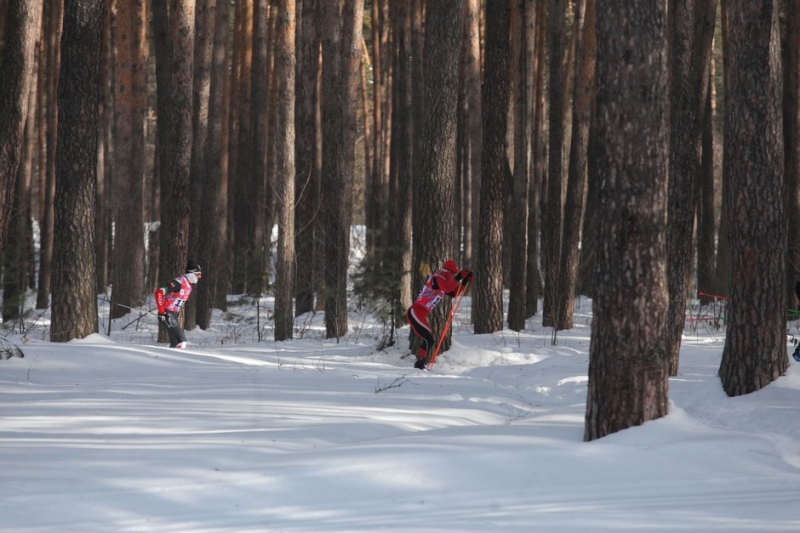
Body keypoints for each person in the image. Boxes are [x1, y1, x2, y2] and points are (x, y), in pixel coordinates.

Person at [406, 259, 473, 369]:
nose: (453, 277)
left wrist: (464, 281)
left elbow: (453, 293)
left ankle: (420, 363)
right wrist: (460, 276)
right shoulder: (438, 278)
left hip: (420, 314)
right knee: (428, 338)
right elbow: (448, 287)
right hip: (415, 311)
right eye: (453, 274)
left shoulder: (443, 282)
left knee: (429, 340)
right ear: (448, 272)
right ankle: (419, 365)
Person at [155, 260, 202, 348]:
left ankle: (169, 360)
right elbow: (159, 292)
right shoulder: (178, 283)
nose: (200, 276)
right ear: (191, 274)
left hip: (173, 314)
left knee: (176, 342)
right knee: (181, 341)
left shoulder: (189, 284)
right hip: (166, 314)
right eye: (198, 274)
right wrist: (162, 312)